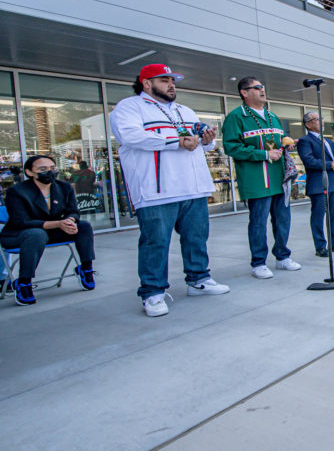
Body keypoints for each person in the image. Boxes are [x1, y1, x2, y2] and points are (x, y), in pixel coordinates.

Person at [110, 64, 230, 317]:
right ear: (146, 84)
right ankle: (152, 293)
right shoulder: (130, 107)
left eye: (172, 80)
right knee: (156, 242)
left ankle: (199, 279)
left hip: (193, 187)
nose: (171, 84)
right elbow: (130, 136)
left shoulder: (183, 110)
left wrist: (208, 141)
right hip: (157, 189)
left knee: (197, 237)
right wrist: (175, 142)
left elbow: (201, 142)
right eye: (164, 80)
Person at [222, 77, 301, 279]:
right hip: (257, 180)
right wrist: (263, 155)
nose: (262, 90)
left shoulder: (272, 116)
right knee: (258, 222)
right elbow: (232, 147)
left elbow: (277, 144)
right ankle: (258, 262)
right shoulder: (236, 117)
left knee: (283, 220)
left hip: (279, 177)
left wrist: (286, 146)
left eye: (263, 87)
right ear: (244, 92)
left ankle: (282, 257)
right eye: (257, 88)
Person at [0, 155, 96, 306]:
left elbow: (74, 211)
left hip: (50, 232)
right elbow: (21, 221)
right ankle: (24, 282)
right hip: (19, 234)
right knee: (36, 234)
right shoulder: (16, 191)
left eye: (52, 168)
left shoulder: (64, 187)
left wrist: (69, 221)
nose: (49, 172)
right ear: (29, 172)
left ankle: (86, 269)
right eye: (43, 169)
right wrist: (58, 223)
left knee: (83, 226)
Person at [297, 111, 334, 257]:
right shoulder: (305, 141)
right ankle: (320, 246)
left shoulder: (328, 141)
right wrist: (329, 164)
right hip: (319, 184)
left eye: (322, 118)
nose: (322, 121)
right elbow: (308, 161)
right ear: (308, 124)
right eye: (317, 119)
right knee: (318, 216)